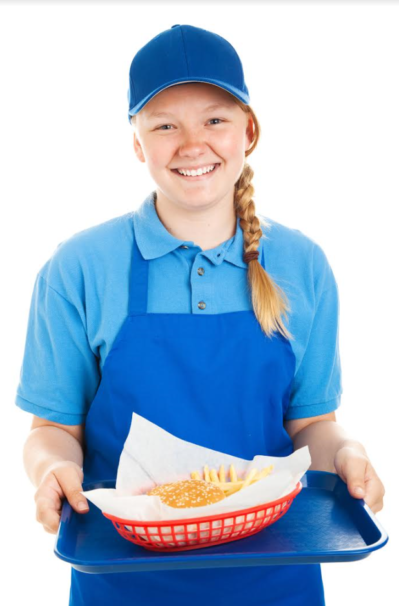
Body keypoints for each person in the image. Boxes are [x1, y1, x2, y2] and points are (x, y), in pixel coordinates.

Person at [16, 24, 385, 606]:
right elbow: (54, 432)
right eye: (165, 125)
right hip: (123, 576)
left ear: (249, 131)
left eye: (214, 119)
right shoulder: (81, 268)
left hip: (276, 573)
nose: (192, 145)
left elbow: (311, 424)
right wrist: (48, 472)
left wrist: (345, 454)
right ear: (137, 142)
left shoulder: (302, 264)